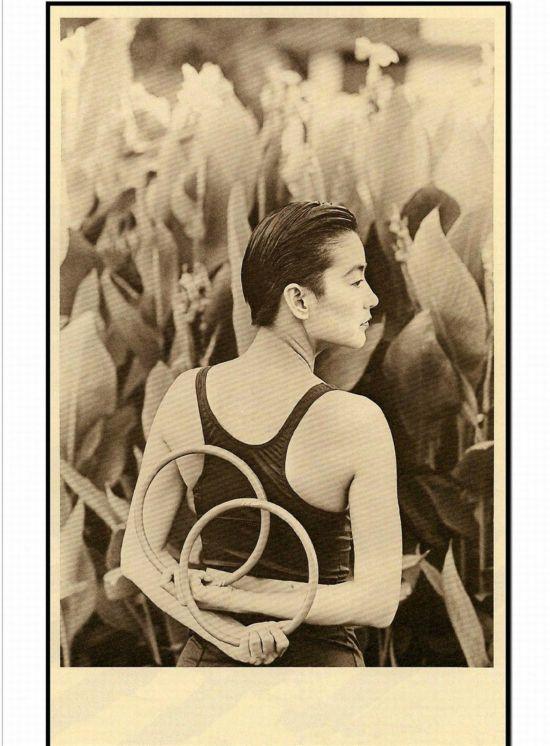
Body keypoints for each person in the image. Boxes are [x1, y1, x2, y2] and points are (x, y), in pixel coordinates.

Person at [121, 201, 402, 667]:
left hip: (207, 670)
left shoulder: (186, 395)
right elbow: (378, 602)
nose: (371, 298)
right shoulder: (357, 421)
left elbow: (138, 557)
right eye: (355, 281)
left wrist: (231, 625)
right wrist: (247, 611)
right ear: (299, 300)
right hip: (321, 682)